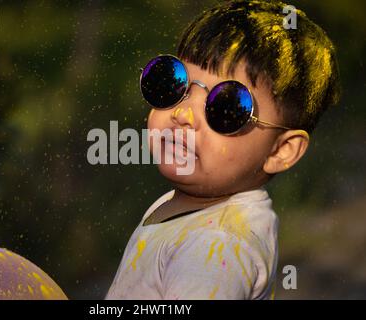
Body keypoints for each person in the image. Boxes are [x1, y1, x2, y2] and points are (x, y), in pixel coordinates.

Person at [106, 0, 340, 299]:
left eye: (226, 106)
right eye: (174, 83)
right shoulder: (188, 203)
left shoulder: (215, 248)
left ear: (281, 151)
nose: (184, 114)